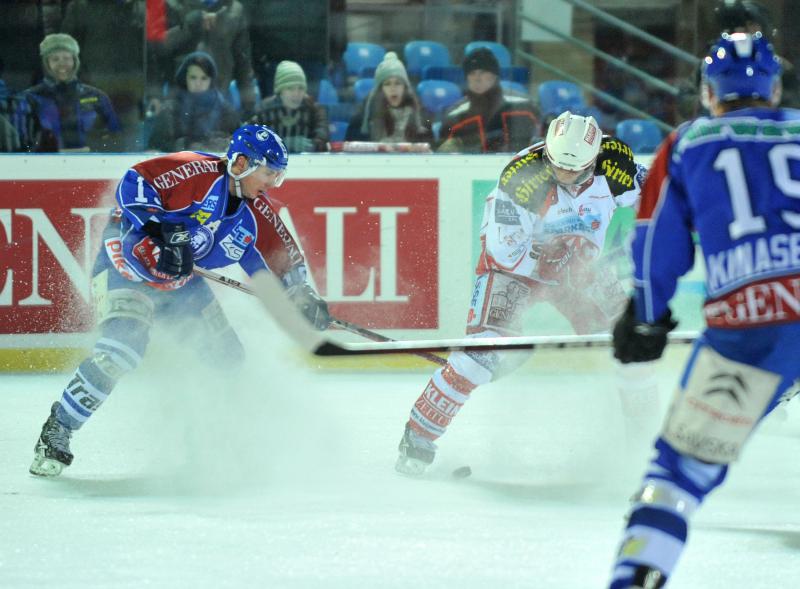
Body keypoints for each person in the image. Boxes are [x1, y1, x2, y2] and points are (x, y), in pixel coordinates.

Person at [606, 32, 800, 588]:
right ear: (775, 89)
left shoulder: (689, 143)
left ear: (708, 93)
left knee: (676, 477)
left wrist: (646, 317)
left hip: (749, 330)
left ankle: (635, 576)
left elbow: (655, 242)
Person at [29, 124, 331, 477]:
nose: (273, 183)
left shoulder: (256, 214)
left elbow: (284, 259)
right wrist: (158, 228)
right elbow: (135, 181)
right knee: (120, 352)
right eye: (268, 173)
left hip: (182, 284)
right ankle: (58, 429)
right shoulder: (194, 170)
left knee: (226, 358)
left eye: (278, 175)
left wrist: (302, 295)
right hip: (125, 267)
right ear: (241, 163)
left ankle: (204, 442)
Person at [395, 110, 650, 476]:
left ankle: (645, 447)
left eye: (574, 170)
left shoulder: (616, 163)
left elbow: (656, 193)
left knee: (633, 345)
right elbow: (505, 253)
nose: (563, 175)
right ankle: (416, 441)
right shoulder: (522, 180)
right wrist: (555, 258)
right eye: (556, 166)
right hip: (516, 269)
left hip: (581, 264)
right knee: (477, 357)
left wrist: (653, 229)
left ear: (594, 160)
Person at [154, 0, 258, 117]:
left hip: (220, 97)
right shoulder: (172, 4)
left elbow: (243, 61)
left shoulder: (235, 9)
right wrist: (189, 27)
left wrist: (249, 102)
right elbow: (158, 48)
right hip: (181, 99)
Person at [21, 33, 121, 152]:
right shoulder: (31, 98)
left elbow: (115, 136)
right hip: (46, 163)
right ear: (46, 63)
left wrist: (93, 149)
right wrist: (50, 152)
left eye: (67, 58)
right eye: (55, 59)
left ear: (75, 61)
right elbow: (23, 142)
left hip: (92, 161)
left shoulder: (96, 96)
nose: (62, 64)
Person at [438, 47, 540, 153]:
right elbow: (442, 153)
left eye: (482, 72)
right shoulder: (455, 115)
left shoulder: (525, 106)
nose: (477, 78)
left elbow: (544, 141)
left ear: (494, 76)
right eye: (472, 73)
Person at [148, 51, 240, 152]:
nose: (198, 83)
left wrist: (220, 144)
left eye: (204, 78)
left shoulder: (226, 111)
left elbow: (239, 148)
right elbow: (154, 149)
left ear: (211, 80)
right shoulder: (169, 111)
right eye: (193, 77)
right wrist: (183, 146)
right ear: (184, 78)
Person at [345, 51, 433, 144]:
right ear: (380, 89)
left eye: (398, 83)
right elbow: (351, 147)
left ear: (405, 87)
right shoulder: (364, 116)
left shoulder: (420, 115)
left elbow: (430, 147)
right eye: (387, 84)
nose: (393, 89)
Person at [250, 60, 328, 153]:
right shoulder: (263, 110)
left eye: (301, 88)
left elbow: (322, 138)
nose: (296, 93)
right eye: (290, 88)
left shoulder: (314, 109)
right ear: (280, 91)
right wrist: (282, 144)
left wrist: (313, 145)